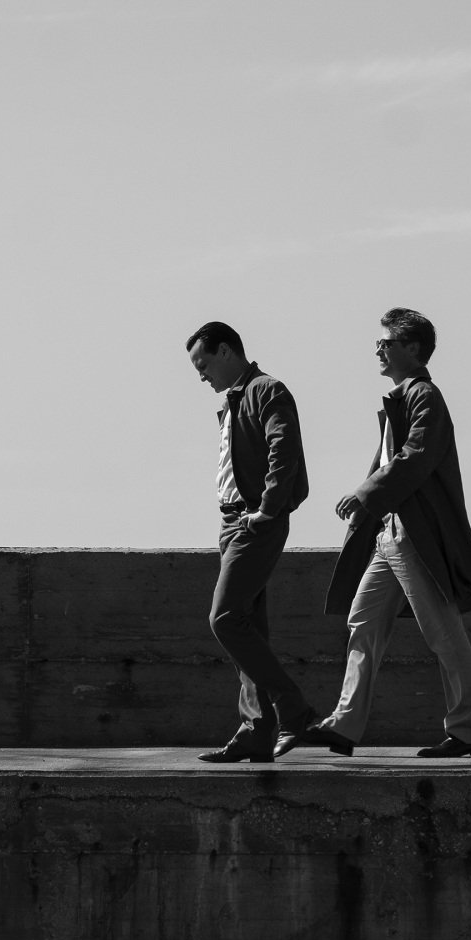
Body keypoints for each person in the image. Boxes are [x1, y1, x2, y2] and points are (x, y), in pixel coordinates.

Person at [282, 307, 471, 759]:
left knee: (442, 633)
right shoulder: (403, 399)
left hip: (413, 535)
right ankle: (344, 726)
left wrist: (364, 492)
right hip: (390, 533)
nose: (378, 350)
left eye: (386, 343)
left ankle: (470, 730)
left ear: (412, 349)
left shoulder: (424, 396)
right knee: (363, 623)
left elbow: (415, 456)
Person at [183, 321, 319, 763]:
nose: (200, 374)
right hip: (232, 522)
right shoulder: (234, 399)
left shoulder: (267, 390)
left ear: (226, 352)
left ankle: (293, 709)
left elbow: (285, 449)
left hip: (253, 521)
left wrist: (268, 508)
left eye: (203, 363)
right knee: (248, 628)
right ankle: (257, 732)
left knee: (224, 619)